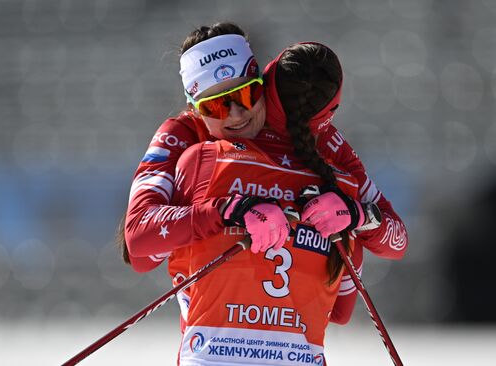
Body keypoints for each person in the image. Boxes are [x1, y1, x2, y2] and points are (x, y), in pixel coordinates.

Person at [118, 23, 408, 362]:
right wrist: (228, 209)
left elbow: (394, 239)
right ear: (195, 107)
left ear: (263, 83)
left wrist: (357, 215)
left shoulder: (321, 138)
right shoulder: (184, 134)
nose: (238, 115)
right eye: (216, 106)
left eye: (245, 95)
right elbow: (139, 246)